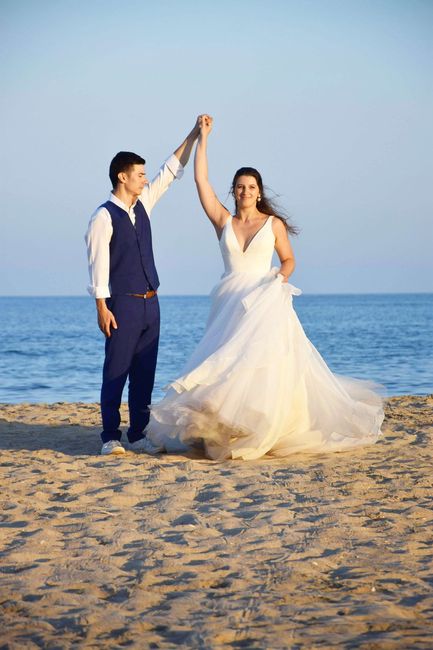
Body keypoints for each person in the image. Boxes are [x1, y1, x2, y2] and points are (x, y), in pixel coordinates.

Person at [146, 115, 384, 460]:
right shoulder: (223, 221)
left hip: (264, 300)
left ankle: (259, 423)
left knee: (260, 364)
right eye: (240, 187)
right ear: (234, 191)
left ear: (260, 191)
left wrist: (278, 280)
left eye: (252, 187)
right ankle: (223, 423)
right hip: (229, 303)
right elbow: (200, 180)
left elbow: (289, 261)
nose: (245, 192)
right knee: (225, 363)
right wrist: (202, 137)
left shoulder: (273, 225)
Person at [85, 118, 200, 455]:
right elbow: (97, 266)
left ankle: (137, 434)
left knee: (144, 374)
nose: (145, 179)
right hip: (122, 304)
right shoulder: (103, 217)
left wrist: (193, 135)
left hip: (152, 302)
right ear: (123, 177)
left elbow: (171, 169)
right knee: (116, 372)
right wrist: (102, 308)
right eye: (139, 174)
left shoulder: (143, 204)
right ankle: (110, 437)